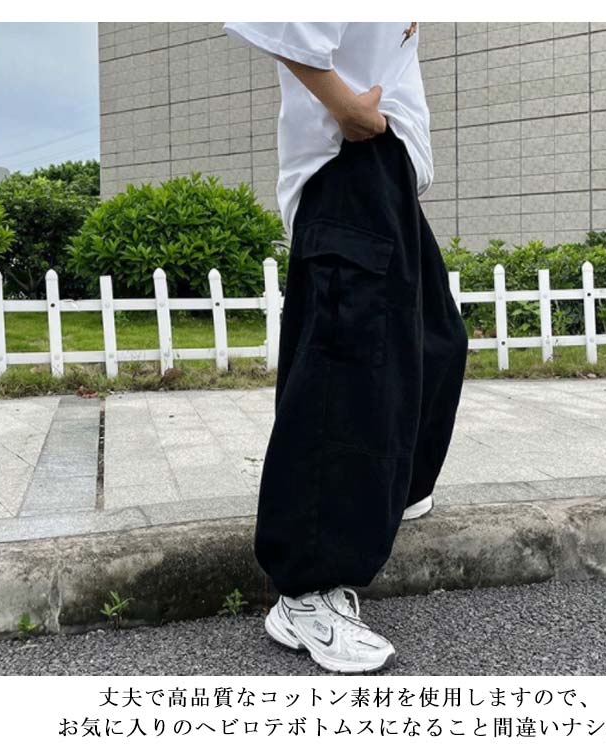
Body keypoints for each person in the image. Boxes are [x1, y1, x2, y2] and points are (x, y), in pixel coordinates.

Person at [223, 22, 468, 674]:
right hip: (347, 159)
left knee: (437, 342)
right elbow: (277, 20)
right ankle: (305, 592)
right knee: (344, 374)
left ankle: (389, 493)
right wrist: (347, 108)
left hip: (387, 170)